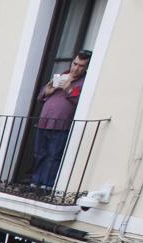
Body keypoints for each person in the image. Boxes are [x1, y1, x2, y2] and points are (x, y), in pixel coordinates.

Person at [32, 50, 91, 188]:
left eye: (81, 66)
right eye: (75, 63)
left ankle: (47, 185)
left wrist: (69, 88)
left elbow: (79, 100)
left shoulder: (84, 82)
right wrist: (49, 90)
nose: (76, 68)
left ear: (86, 68)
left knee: (54, 157)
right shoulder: (61, 76)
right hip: (44, 122)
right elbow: (41, 95)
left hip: (61, 126)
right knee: (39, 154)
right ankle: (35, 182)